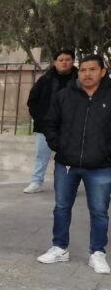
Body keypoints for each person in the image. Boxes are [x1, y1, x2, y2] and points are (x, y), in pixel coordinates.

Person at [38, 55, 111, 274]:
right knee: (61, 208)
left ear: (103, 72)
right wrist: (60, 146)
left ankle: (97, 253)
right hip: (66, 164)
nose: (87, 74)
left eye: (92, 69)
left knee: (99, 211)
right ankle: (60, 247)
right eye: (83, 70)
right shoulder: (65, 96)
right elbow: (49, 123)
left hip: (101, 166)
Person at [23, 49, 78, 194]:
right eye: (61, 60)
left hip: (72, 125)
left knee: (70, 157)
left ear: (73, 61)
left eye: (67, 59)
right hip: (46, 125)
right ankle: (36, 181)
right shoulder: (45, 79)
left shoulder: (80, 79)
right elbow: (32, 100)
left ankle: (68, 185)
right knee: (42, 155)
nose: (64, 62)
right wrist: (40, 118)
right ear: (55, 62)